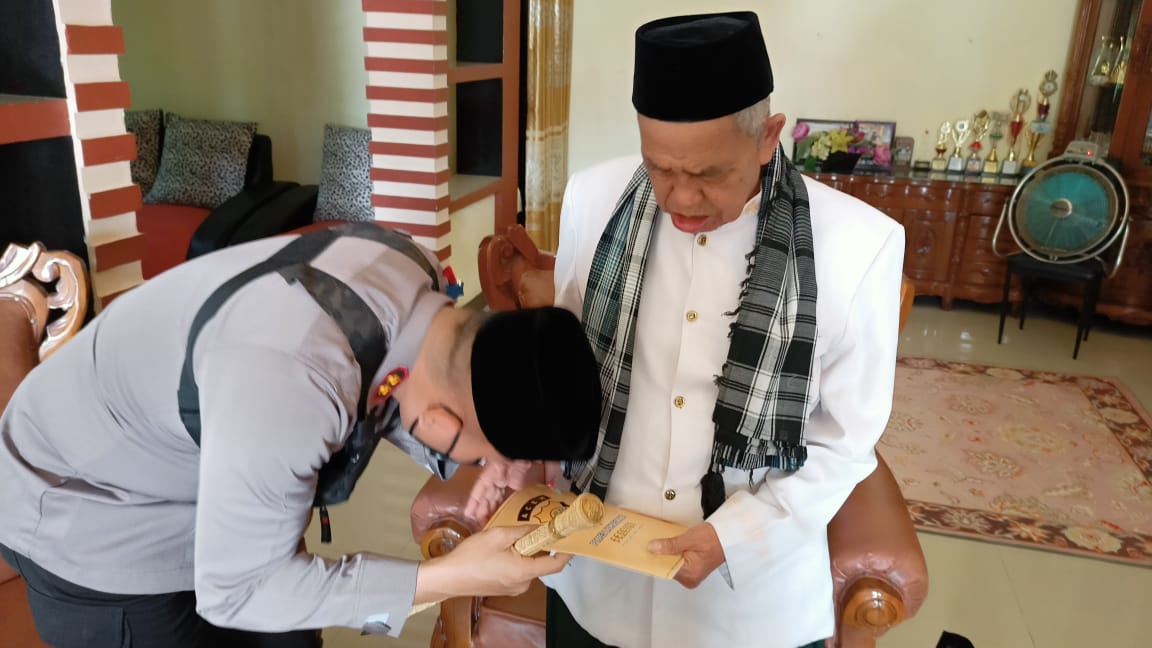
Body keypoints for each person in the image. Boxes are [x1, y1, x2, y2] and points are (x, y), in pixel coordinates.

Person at [479, 11, 906, 648]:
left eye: (708, 175)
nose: (681, 198)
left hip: (750, 604)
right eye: (660, 169)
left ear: (767, 137)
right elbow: (563, 374)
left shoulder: (860, 244)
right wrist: (523, 451)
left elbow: (844, 441)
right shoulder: (593, 199)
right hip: (597, 576)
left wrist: (734, 537)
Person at [0, 222, 603, 647]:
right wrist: (451, 577)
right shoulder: (292, 379)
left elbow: (400, 384)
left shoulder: (413, 273)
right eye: (486, 457)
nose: (489, 467)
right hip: (87, 518)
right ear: (444, 423)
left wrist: (502, 454)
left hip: (204, 464)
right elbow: (236, 591)